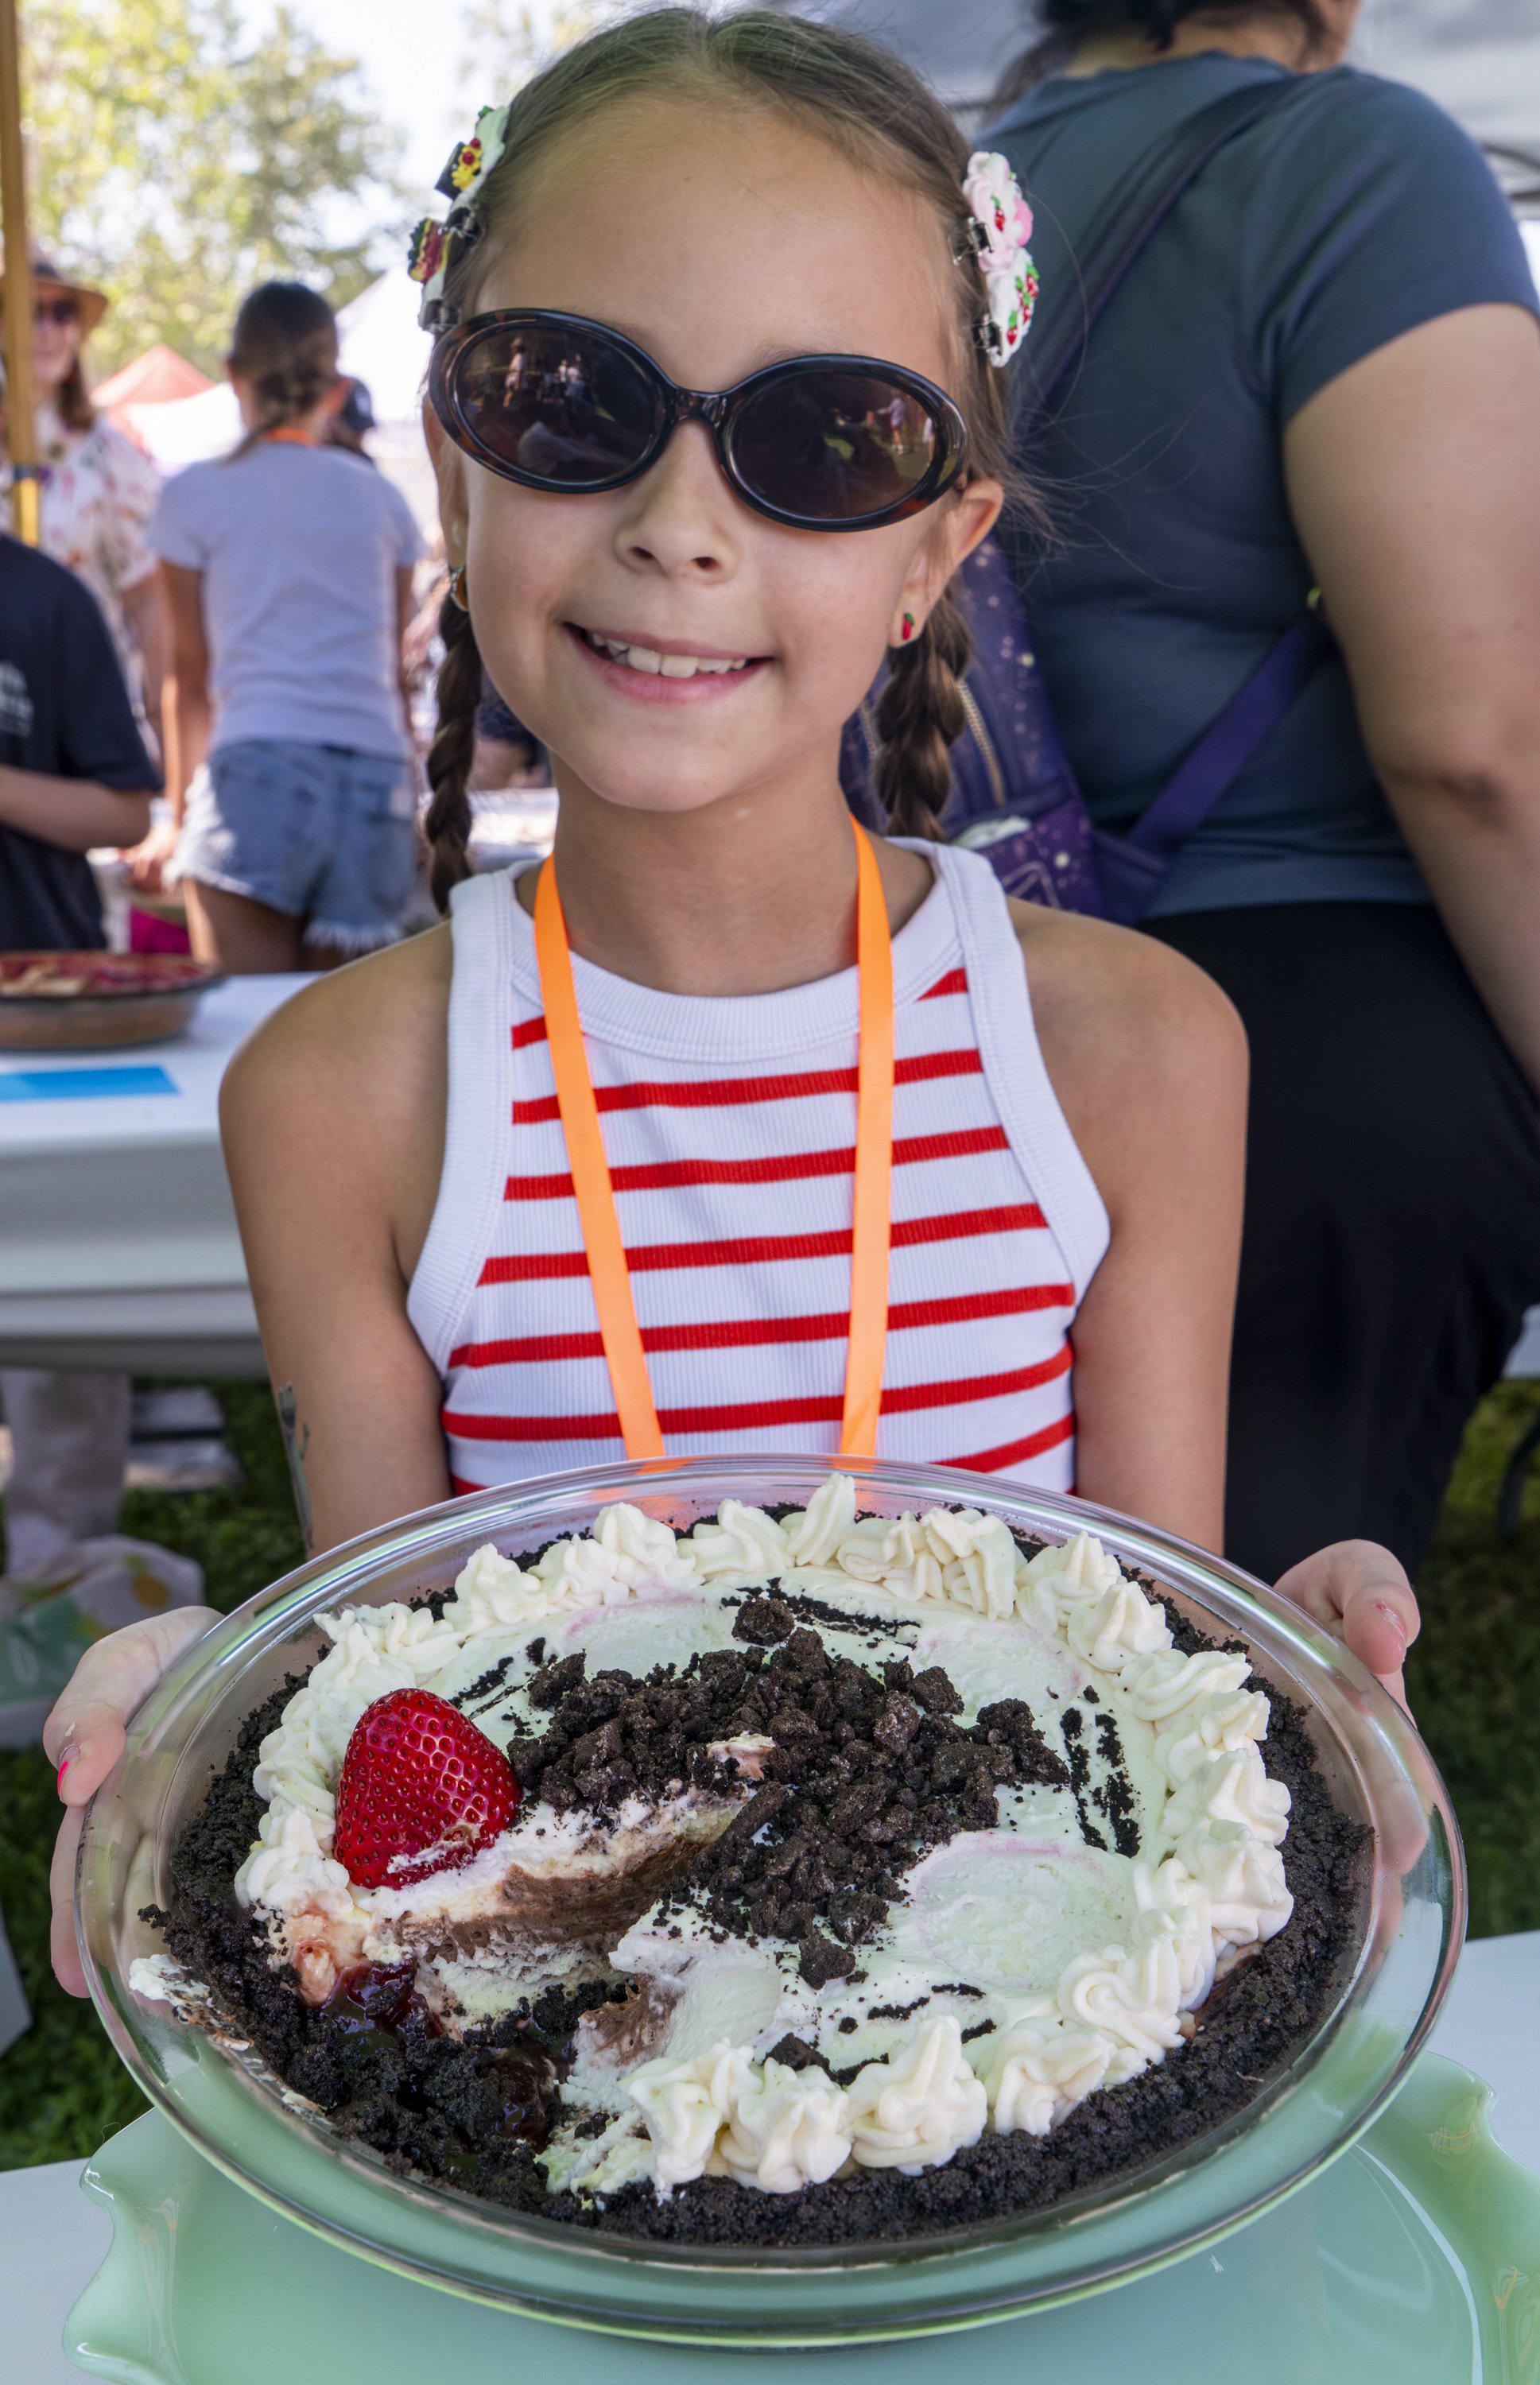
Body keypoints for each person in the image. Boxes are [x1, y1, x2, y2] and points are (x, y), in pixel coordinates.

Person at [41, 6, 1420, 1993]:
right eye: (569, 400)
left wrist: (1281, 1673)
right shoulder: (346, 1096)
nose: (681, 517)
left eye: (822, 438)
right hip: (555, 2074)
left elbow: (1149, 1671)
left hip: (1004, 2021)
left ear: (936, 548)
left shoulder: (1124, 1052)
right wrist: (225, 1713)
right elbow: (391, 1704)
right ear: (452, 455)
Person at [985, 0, 1540, 1583]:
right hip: (1312, 1041)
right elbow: (1473, 742)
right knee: (1271, 1708)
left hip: (962, 1013)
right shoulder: (1355, 160)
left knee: (1005, 1661)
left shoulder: (934, 198)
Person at [134, 283, 426, 971]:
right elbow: (389, 675)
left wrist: (177, 823)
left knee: (248, 1038)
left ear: (235, 374)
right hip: (373, 785)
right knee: (338, 1051)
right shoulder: (384, 502)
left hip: (256, 774)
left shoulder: (193, 496)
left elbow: (190, 678)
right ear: (337, 385)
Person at [0, 534, 160, 1578]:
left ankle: (55, 1571)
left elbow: (124, 807)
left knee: (56, 1301)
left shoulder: (43, 599)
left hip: (38, 1002)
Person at [0, 254, 170, 747]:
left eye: (63, 313)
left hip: (76, 714)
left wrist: (164, 721)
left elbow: (149, 600)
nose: (50, 329)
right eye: (31, 310)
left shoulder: (107, 454)